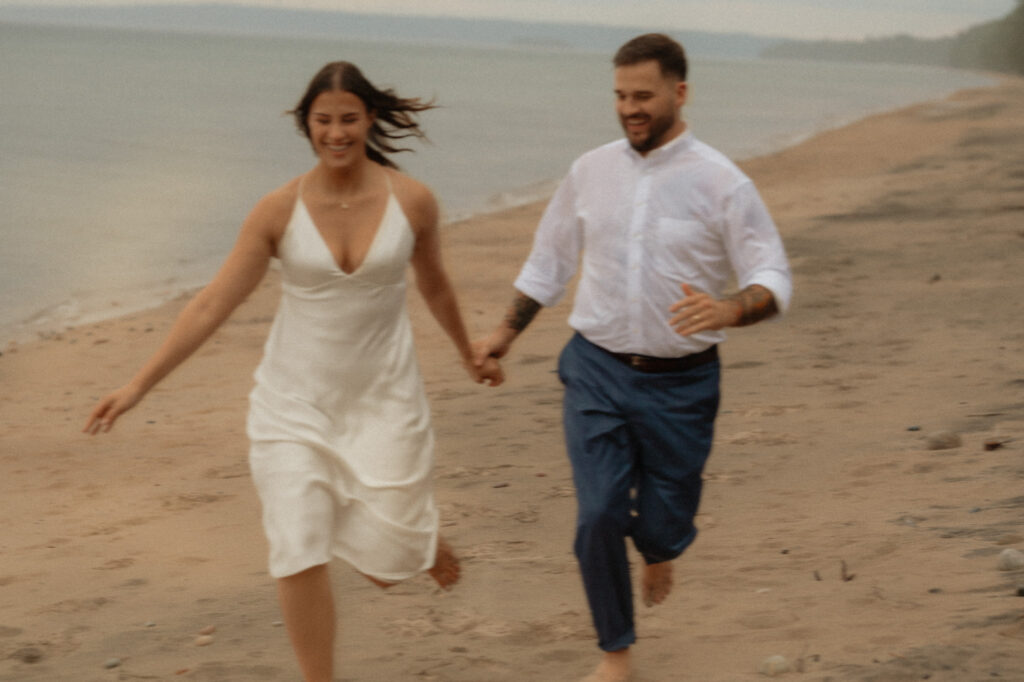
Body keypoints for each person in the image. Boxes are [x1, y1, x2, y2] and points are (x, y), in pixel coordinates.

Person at [84, 61, 503, 682]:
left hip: (383, 400)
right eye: (322, 121)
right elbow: (210, 304)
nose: (335, 133)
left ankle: (415, 542)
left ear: (370, 119)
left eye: (348, 120)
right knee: (298, 540)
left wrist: (468, 349)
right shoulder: (277, 211)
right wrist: (137, 384)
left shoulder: (411, 201)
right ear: (306, 124)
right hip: (292, 402)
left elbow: (436, 285)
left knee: (389, 566)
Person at [473, 34, 792, 682]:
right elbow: (550, 259)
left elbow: (773, 274)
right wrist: (505, 332)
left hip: (685, 386)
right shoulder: (590, 170)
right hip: (596, 369)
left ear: (680, 92)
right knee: (597, 514)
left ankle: (660, 547)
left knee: (665, 520)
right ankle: (615, 653)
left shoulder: (722, 182)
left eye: (642, 95)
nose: (629, 108)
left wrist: (733, 308)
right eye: (620, 96)